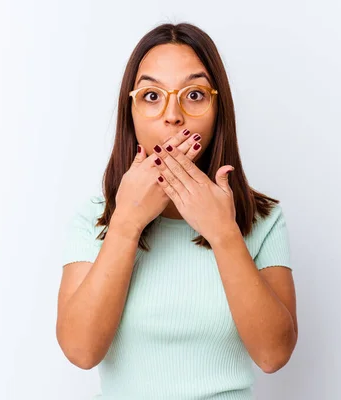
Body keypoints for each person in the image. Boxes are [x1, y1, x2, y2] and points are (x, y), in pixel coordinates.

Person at [56, 22, 298, 399]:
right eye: (152, 96)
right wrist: (126, 224)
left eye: (194, 94)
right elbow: (81, 351)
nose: (173, 116)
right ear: (130, 112)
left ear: (219, 110)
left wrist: (223, 232)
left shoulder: (264, 220)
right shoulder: (94, 219)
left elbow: (273, 355)